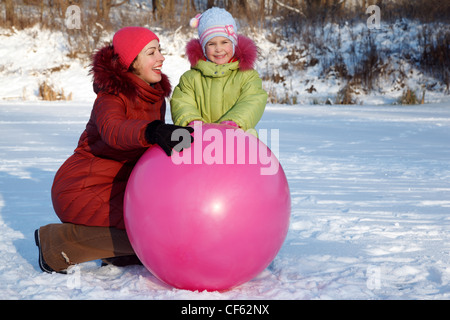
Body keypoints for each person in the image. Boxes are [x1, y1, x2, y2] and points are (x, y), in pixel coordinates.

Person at [34, 26, 193, 273]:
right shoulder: (111, 96)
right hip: (84, 187)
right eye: (151, 52)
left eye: (159, 50)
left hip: (119, 187)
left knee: (161, 223)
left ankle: (118, 255)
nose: (161, 57)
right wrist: (152, 131)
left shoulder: (155, 97)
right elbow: (114, 130)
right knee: (152, 232)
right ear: (131, 62)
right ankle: (57, 244)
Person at [170, 7, 267, 133]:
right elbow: (182, 102)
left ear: (233, 43)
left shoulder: (247, 75)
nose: (218, 49)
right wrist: (191, 121)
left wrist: (235, 121)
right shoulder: (190, 78)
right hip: (199, 141)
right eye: (211, 44)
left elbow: (252, 101)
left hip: (238, 141)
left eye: (224, 42)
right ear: (203, 47)